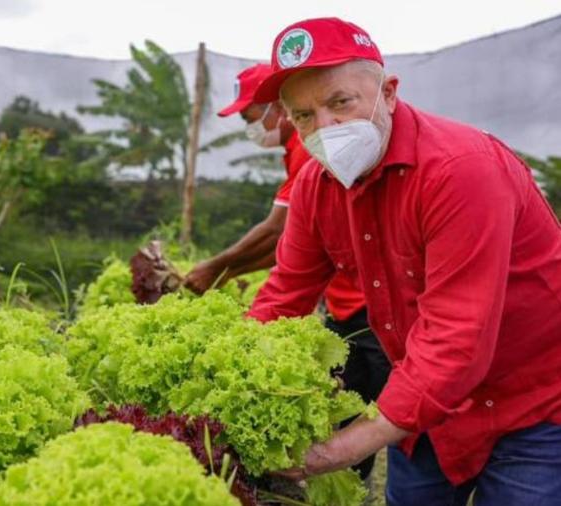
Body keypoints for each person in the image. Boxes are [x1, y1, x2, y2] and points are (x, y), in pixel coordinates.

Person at [247, 17, 561, 505]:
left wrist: (341, 447)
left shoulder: (460, 170)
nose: (325, 128)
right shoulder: (314, 187)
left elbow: (458, 334)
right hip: (427, 407)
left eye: (340, 102)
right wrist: (229, 372)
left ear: (388, 93)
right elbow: (286, 292)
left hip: (531, 404)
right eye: (304, 115)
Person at [185, 63, 390, 480]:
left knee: (369, 410)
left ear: (274, 110)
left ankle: (352, 478)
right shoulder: (304, 152)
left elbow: (276, 230)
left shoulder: (312, 146)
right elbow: (294, 256)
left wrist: (214, 268)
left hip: (371, 306)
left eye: (249, 118)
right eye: (305, 114)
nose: (251, 129)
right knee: (354, 401)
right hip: (346, 303)